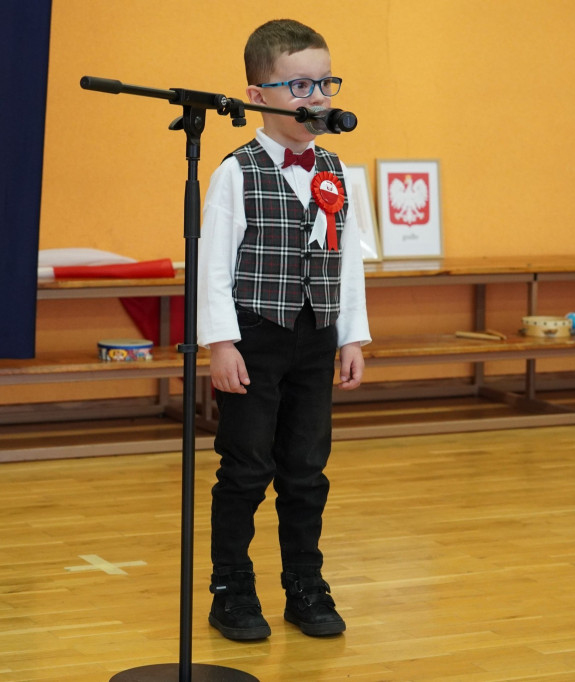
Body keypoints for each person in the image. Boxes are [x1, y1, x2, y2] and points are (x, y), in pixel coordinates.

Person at [197, 18, 371, 641]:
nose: (317, 98)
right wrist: (221, 343)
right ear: (258, 94)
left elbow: (347, 262)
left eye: (325, 83)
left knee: (306, 466)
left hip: (316, 335)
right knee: (245, 466)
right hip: (254, 339)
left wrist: (351, 336)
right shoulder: (236, 173)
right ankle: (231, 589)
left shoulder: (340, 173)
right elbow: (212, 266)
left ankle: (305, 582)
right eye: (299, 86)